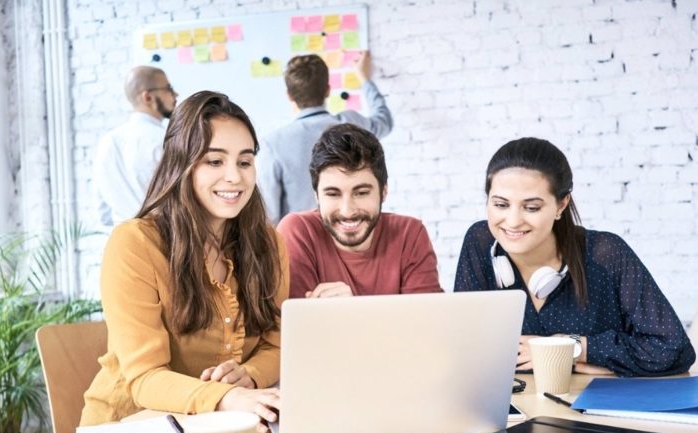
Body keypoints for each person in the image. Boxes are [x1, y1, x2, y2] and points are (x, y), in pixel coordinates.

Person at [81, 91, 286, 430]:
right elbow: (145, 377)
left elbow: (276, 344)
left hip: (220, 430)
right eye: (215, 161)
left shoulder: (267, 243)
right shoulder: (135, 243)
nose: (235, 176)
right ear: (181, 163)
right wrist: (226, 398)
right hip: (127, 432)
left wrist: (247, 377)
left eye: (245, 161)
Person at [454, 137, 695, 377]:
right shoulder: (481, 241)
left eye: (531, 207)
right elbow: (464, 348)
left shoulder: (605, 253)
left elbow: (674, 349)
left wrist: (573, 348)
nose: (513, 221)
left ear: (561, 205)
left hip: (593, 411)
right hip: (517, 409)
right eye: (501, 205)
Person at [277, 123, 442, 298]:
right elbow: (298, 323)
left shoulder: (410, 234)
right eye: (333, 194)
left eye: (361, 193)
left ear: (384, 191)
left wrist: (350, 313)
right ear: (317, 196)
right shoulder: (298, 231)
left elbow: (424, 323)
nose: (347, 211)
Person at [257, 51, 393, 225]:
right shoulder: (351, 124)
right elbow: (384, 120)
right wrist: (364, 78)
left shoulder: (273, 143)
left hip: (298, 245)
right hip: (350, 237)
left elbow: (270, 215)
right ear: (328, 90)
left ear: (289, 96)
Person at [93, 66, 178, 226]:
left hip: (123, 242)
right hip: (163, 239)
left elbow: (103, 214)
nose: (175, 95)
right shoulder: (165, 140)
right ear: (148, 97)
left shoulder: (106, 142)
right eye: (169, 88)